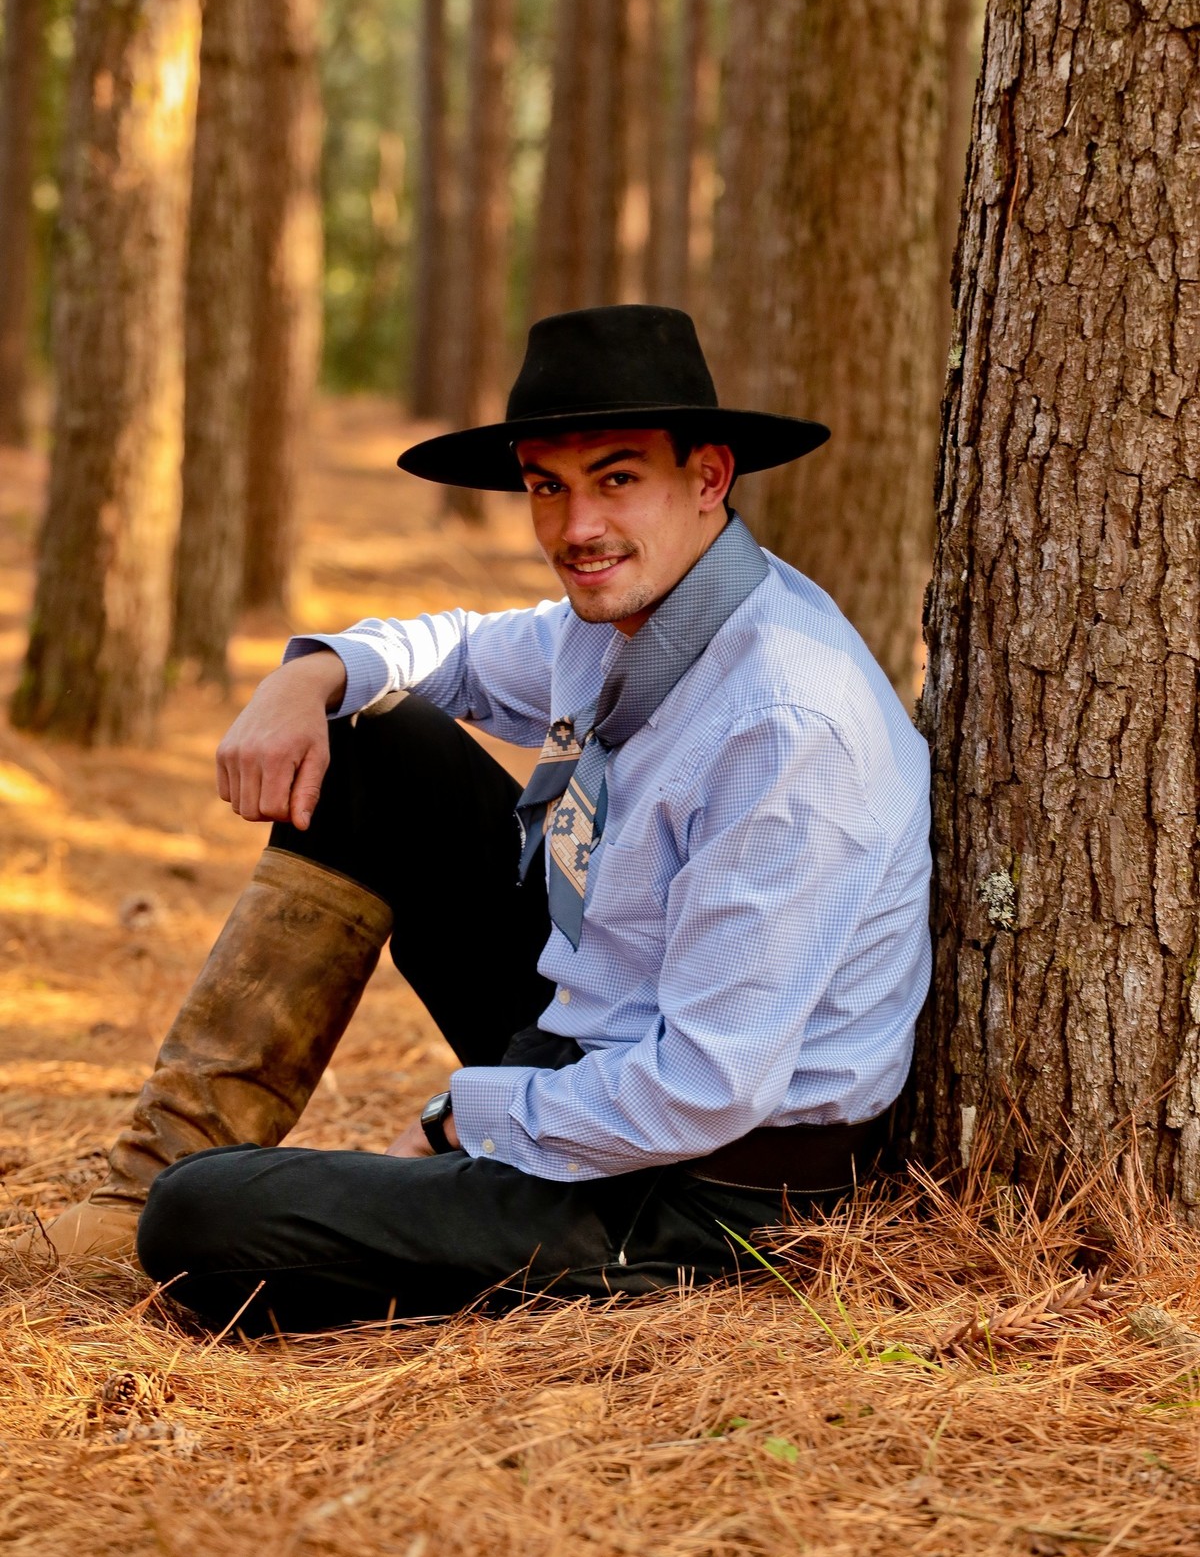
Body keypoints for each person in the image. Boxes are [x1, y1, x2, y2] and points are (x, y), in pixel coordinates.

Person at [18, 305, 931, 1334]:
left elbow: (707, 1089)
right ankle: (149, 1173)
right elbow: (451, 650)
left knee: (204, 1221)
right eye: (548, 487)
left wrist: (465, 1119)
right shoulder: (630, 614)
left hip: (702, 1190)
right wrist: (305, 677)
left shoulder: (782, 722)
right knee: (372, 740)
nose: (576, 529)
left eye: (617, 479)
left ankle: (184, 1201)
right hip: (596, 1037)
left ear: (709, 477)